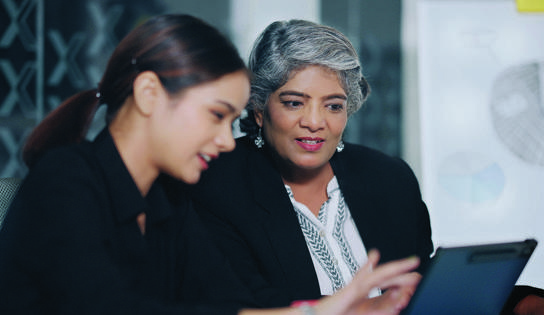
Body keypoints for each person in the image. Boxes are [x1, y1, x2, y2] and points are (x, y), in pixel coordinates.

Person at [0, 14, 422, 315]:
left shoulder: (168, 204)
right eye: (216, 115)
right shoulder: (66, 179)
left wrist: (333, 309)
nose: (228, 140)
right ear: (149, 95)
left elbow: (231, 306)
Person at [189, 19, 544, 315]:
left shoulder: (388, 178)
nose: (315, 122)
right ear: (259, 108)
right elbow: (235, 306)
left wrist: (517, 303)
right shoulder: (214, 182)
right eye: (295, 102)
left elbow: (419, 292)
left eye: (333, 106)